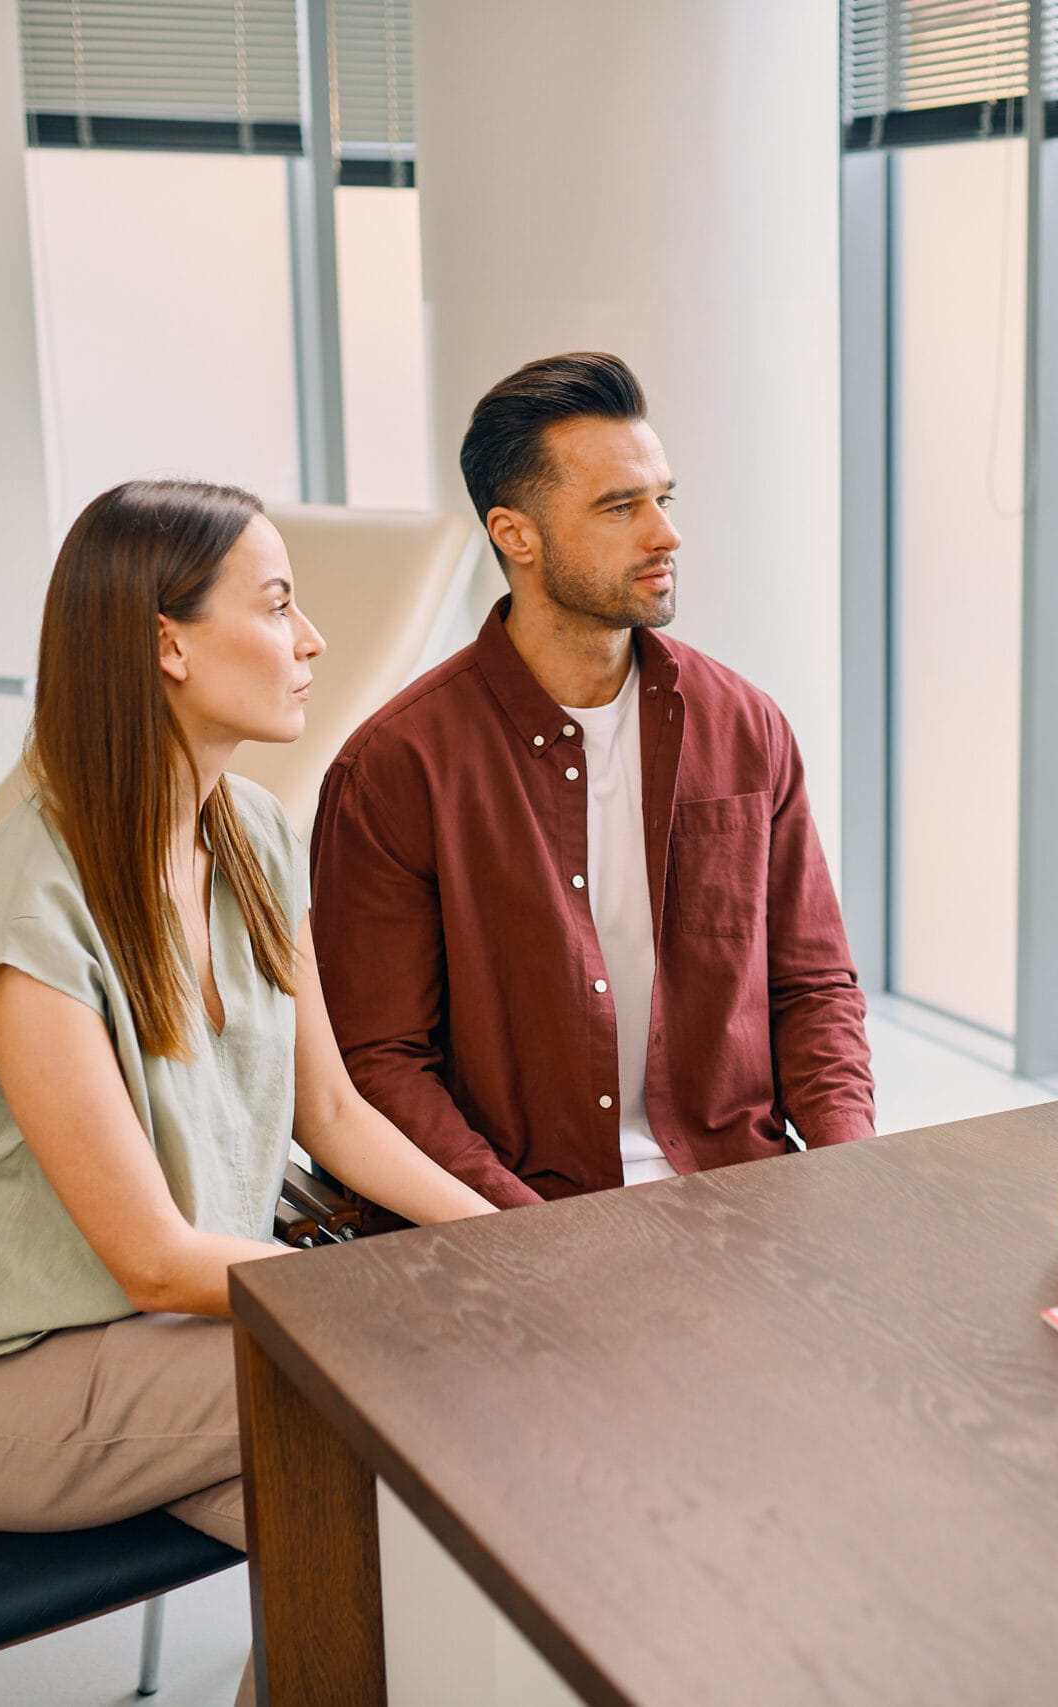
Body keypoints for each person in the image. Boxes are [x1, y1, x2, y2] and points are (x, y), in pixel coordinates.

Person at [0, 482, 494, 1604]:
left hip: (171, 1343)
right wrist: (394, 1300)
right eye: (279, 604)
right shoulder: (30, 899)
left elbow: (327, 1115)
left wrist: (513, 1246)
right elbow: (147, 1252)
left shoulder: (255, 835)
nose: (312, 640)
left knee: (403, 1570)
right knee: (420, 1398)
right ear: (166, 647)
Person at [311, 351, 873, 1221]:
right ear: (516, 535)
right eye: (621, 507)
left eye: (663, 499)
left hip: (741, 1201)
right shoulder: (396, 768)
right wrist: (527, 1234)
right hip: (517, 1222)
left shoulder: (745, 726)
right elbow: (379, 1060)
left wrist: (850, 1179)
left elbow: (813, 987)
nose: (665, 534)